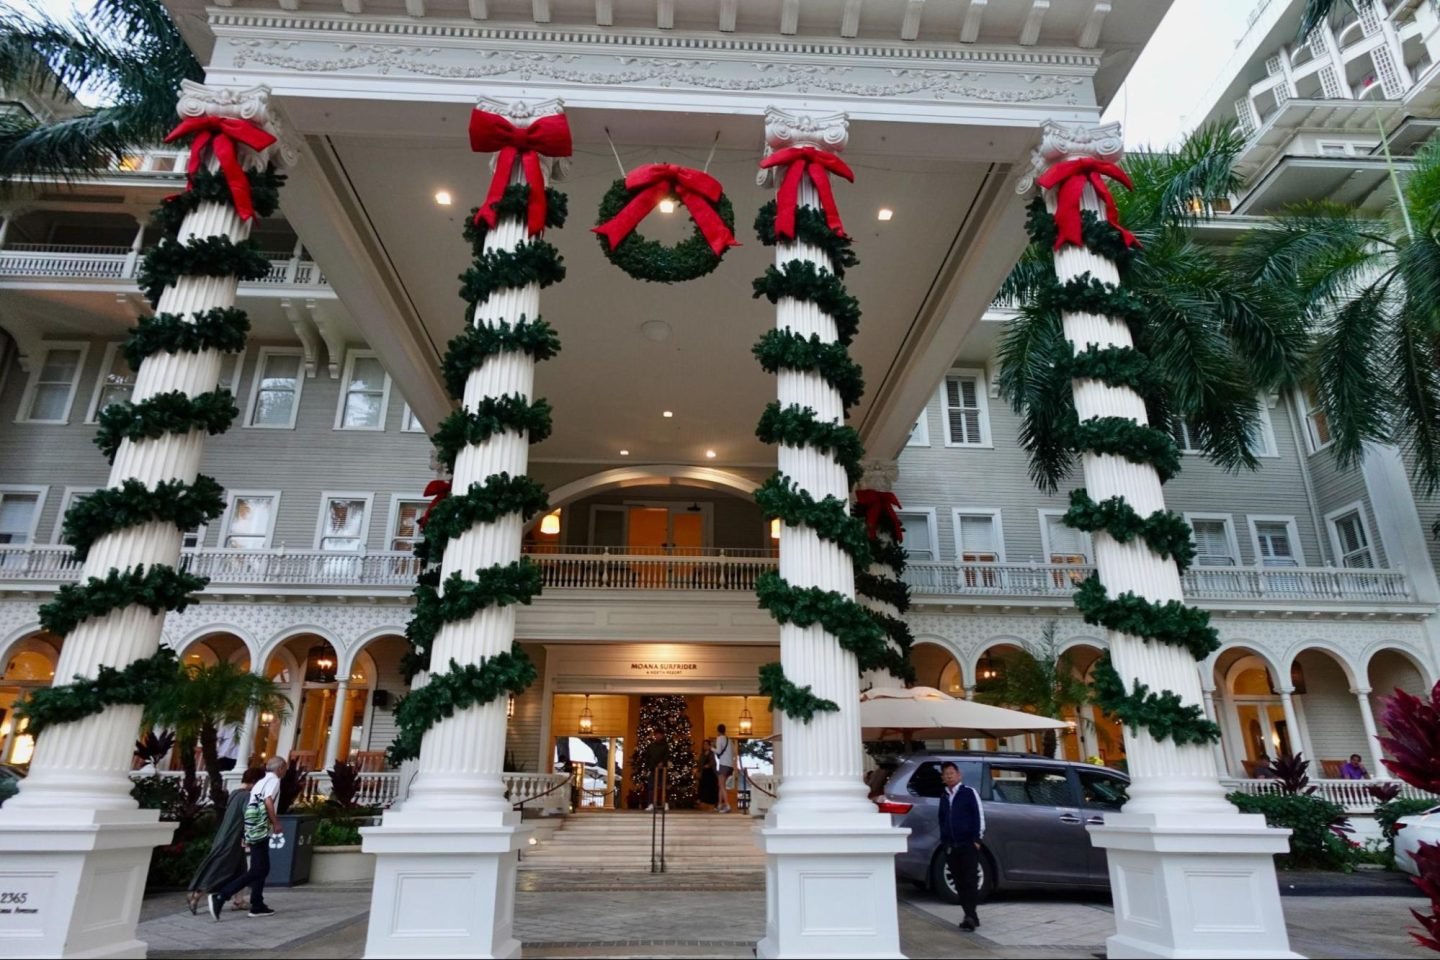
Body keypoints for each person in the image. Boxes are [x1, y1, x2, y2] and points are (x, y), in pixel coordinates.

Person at [210, 756, 286, 920]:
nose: (284, 772)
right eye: (284, 769)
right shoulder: (273, 781)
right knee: (259, 869)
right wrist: (276, 823)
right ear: (280, 769)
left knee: (261, 868)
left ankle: (257, 904)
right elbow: (268, 801)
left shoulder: (260, 782)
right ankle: (222, 895)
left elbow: (252, 805)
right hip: (261, 828)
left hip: (253, 827)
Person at [186, 766, 263, 914]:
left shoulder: (235, 793)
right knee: (218, 868)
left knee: (240, 870)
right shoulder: (246, 796)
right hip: (232, 839)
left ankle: (239, 900)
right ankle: (195, 895)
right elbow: (250, 817)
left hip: (227, 836)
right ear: (255, 781)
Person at [939, 761, 984, 932]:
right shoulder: (944, 796)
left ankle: (970, 916)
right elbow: (942, 819)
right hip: (951, 845)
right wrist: (944, 841)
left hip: (968, 843)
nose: (949, 776)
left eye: (952, 772)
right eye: (946, 773)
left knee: (970, 880)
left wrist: (977, 839)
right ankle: (970, 914)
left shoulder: (968, 793)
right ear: (943, 778)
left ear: (959, 775)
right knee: (958, 882)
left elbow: (978, 815)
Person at [642, 735, 669, 812]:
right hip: (652, 769)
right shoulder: (651, 746)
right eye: (656, 735)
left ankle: (665, 803)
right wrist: (646, 768)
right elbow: (648, 757)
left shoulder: (665, 746)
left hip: (662, 770)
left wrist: (662, 763)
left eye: (659, 735)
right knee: (651, 787)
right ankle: (651, 804)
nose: (658, 736)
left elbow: (667, 756)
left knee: (663, 787)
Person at [713, 723, 735, 814]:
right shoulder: (729, 740)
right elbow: (733, 752)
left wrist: (711, 748)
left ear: (718, 731)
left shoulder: (719, 739)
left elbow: (718, 751)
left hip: (723, 764)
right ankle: (719, 805)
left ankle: (727, 805)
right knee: (720, 785)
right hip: (730, 765)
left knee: (722, 786)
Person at [698, 739, 719, 809]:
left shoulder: (712, 753)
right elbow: (700, 763)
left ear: (709, 746)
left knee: (711, 789)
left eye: (707, 745)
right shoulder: (702, 754)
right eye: (704, 745)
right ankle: (703, 803)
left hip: (711, 774)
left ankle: (712, 804)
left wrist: (708, 765)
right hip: (703, 774)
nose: (705, 746)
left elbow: (713, 762)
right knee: (703, 789)